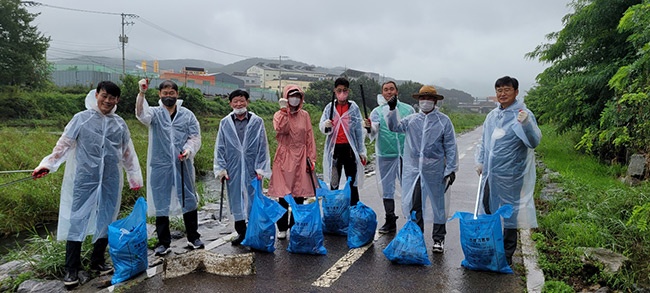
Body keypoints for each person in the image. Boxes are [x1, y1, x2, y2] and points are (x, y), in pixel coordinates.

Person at [32, 81, 143, 286]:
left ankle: (97, 261)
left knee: (107, 217)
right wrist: (47, 165)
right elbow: (63, 145)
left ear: (117, 100)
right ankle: (71, 269)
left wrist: (134, 176)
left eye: (112, 97)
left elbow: (127, 152)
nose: (107, 101)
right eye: (104, 96)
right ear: (96, 95)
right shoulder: (81, 119)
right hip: (85, 179)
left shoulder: (119, 123)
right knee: (77, 219)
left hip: (110, 178)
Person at [475, 76, 541, 265]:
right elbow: (484, 141)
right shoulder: (492, 116)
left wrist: (527, 124)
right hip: (490, 174)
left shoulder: (522, 114)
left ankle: (506, 255)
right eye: (499, 90)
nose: (502, 94)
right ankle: (490, 249)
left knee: (509, 214)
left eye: (506, 90)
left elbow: (533, 141)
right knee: (488, 209)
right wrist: (480, 161)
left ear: (516, 92)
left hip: (511, 175)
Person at [135, 79, 204, 256]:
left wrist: (188, 150)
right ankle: (163, 242)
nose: (168, 96)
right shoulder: (155, 113)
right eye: (165, 93)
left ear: (177, 94)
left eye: (171, 93)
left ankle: (193, 237)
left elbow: (195, 136)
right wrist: (142, 93)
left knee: (188, 198)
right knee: (161, 202)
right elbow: (141, 115)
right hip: (160, 165)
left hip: (183, 163)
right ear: (159, 95)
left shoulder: (187, 115)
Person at [386, 85, 458, 253]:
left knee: (438, 204)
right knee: (415, 203)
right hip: (414, 169)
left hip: (435, 169)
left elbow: (450, 146)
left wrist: (451, 169)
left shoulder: (443, 121)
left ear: (435, 101)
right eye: (422, 98)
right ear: (418, 101)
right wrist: (391, 109)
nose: (425, 101)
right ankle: (417, 236)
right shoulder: (411, 120)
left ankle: (439, 239)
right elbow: (394, 127)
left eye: (429, 98)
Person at [214, 89, 271, 245]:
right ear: (230, 103)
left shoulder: (256, 121)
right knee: (236, 201)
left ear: (247, 102)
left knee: (254, 200)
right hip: (233, 168)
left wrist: (261, 168)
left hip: (252, 168)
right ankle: (242, 233)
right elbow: (220, 146)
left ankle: (254, 234)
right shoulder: (225, 122)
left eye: (242, 100)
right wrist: (221, 168)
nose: (239, 104)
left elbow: (262, 145)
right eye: (235, 101)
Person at [364, 81, 415, 234]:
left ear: (397, 92)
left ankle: (410, 220)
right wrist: (368, 127)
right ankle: (390, 219)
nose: (389, 92)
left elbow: (414, 130)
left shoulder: (408, 109)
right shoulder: (377, 111)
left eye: (391, 89)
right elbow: (374, 131)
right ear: (382, 93)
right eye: (385, 90)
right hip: (385, 154)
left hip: (405, 154)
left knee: (408, 186)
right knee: (387, 188)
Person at [268, 85, 318, 239]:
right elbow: (280, 129)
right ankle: (282, 227)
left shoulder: (305, 115)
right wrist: (284, 112)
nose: (294, 99)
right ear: (286, 97)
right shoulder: (279, 115)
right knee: (283, 194)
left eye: (297, 95)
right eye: (292, 95)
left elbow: (309, 136)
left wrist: (312, 157)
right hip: (285, 155)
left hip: (302, 155)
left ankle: (295, 225)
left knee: (299, 193)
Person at [319, 77, 367, 206]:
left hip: (350, 149)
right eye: (339, 90)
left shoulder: (353, 108)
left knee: (352, 182)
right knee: (334, 181)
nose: (342, 93)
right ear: (335, 91)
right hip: (335, 150)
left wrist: (362, 150)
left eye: (344, 90)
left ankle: (354, 209)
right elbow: (322, 126)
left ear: (348, 91)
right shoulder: (330, 108)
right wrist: (325, 125)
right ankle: (334, 209)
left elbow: (358, 130)